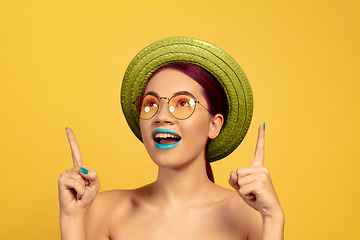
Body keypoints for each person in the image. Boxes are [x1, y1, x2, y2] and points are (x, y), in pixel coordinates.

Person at [58, 37, 285, 240]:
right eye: (151, 104)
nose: (162, 116)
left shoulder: (251, 214)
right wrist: (71, 219)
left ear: (214, 125)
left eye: (183, 103)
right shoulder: (104, 211)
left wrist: (274, 218)